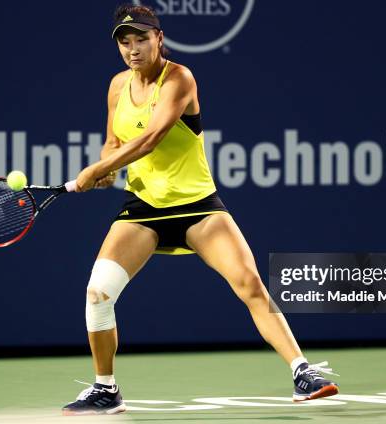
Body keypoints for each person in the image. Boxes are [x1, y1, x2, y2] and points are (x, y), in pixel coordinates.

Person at [62, 4, 339, 416]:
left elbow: (153, 137)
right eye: (125, 41)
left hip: (198, 208)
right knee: (97, 293)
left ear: (159, 38)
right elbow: (114, 141)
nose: (133, 49)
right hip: (143, 209)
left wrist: (97, 170)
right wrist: (106, 163)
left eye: (141, 39)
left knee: (248, 283)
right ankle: (106, 389)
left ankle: (302, 372)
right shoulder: (118, 86)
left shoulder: (179, 78)